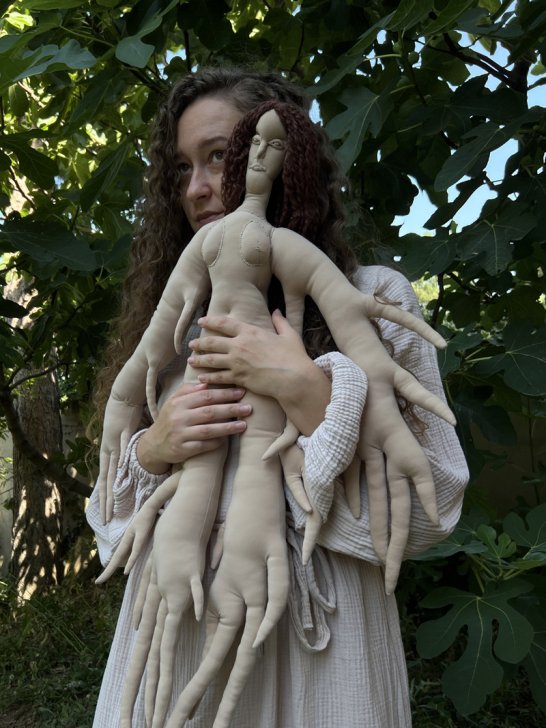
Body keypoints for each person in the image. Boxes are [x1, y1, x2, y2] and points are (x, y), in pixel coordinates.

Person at [87, 67, 469, 728]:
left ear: (284, 156)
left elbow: (432, 509)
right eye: (182, 168)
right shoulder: (174, 325)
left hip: (326, 665)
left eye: (217, 156)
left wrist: (309, 392)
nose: (198, 187)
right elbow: (109, 525)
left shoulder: (374, 300)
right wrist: (154, 448)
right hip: (176, 645)